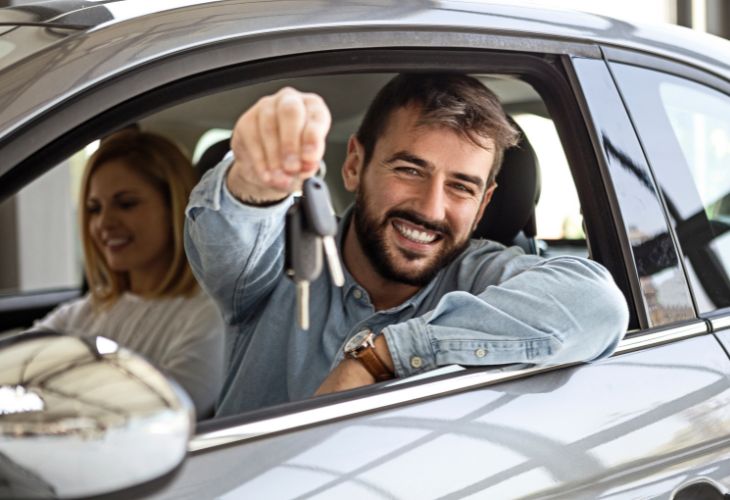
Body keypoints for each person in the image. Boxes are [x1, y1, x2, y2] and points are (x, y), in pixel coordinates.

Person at [184, 74, 629, 417]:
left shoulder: (486, 276)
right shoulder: (280, 256)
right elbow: (232, 229)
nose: (431, 209)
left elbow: (599, 305)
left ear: (483, 204)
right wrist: (255, 180)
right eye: (410, 170)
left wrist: (381, 358)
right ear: (355, 164)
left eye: (461, 187)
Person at [34, 129, 224, 419]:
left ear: (175, 205)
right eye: (94, 209)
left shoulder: (209, 316)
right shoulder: (84, 312)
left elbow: (166, 415)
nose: (104, 223)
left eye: (126, 204)